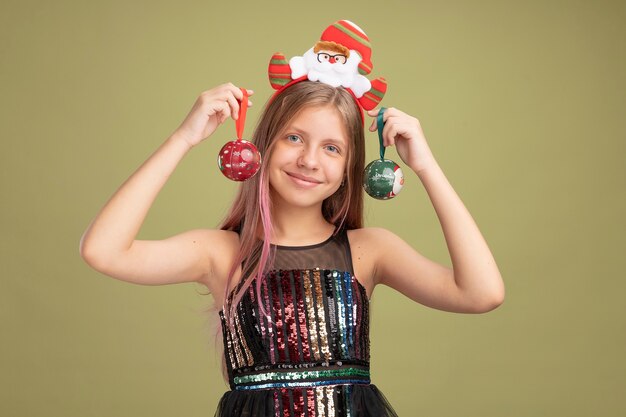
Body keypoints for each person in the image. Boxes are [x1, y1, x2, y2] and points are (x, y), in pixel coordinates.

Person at [80, 20, 504, 417]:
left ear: (349, 170)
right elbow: (103, 251)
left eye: (332, 148)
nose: (309, 160)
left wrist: (426, 166)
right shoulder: (220, 253)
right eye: (295, 138)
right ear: (263, 144)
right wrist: (183, 137)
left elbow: (481, 293)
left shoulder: (369, 251)